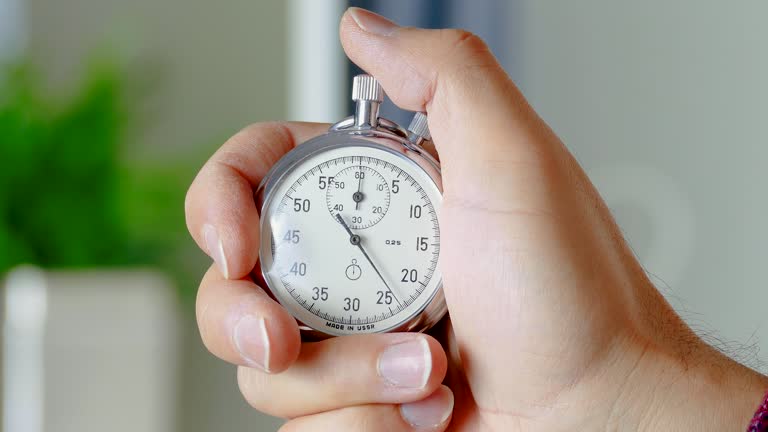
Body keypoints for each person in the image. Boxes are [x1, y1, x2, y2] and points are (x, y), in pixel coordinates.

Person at [184, 7, 768, 431]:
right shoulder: (303, 187)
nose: (359, 233)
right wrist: (618, 393)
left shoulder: (439, 177)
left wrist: (611, 387)